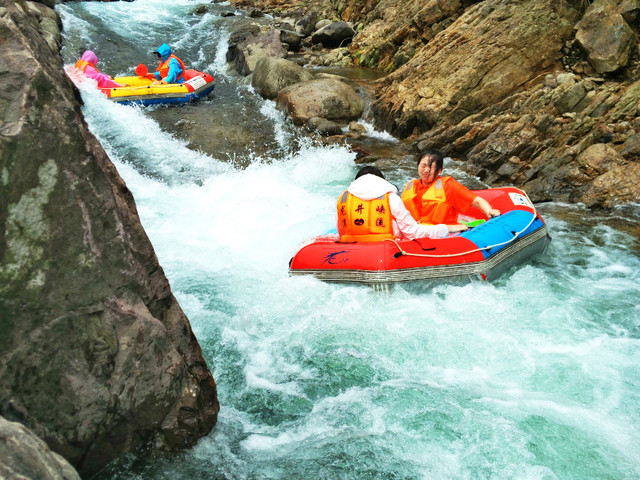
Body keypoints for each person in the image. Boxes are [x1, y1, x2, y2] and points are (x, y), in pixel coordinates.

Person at [336, 166, 468, 243]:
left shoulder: (344, 199)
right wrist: (447, 228)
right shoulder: (391, 199)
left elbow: (341, 231)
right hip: (387, 251)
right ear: (383, 181)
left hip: (350, 254)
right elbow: (414, 233)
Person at [401, 150, 500, 225]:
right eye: (423, 166)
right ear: (418, 166)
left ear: (439, 170)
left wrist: (489, 211)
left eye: (431, 167)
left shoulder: (448, 186)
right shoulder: (410, 186)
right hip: (416, 235)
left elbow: (477, 201)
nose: (426, 170)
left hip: (443, 235)